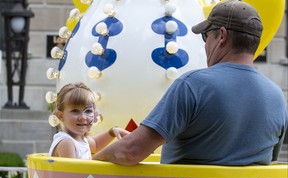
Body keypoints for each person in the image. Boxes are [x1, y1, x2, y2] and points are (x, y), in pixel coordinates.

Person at [93, 0, 288, 165]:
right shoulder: (277, 96)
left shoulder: (192, 85)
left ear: (222, 36)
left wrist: (92, 165)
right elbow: (267, 162)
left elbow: (130, 152)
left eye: (206, 36)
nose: (204, 45)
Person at [48, 82, 130, 159]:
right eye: (75, 111)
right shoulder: (66, 143)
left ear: (94, 115)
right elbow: (73, 172)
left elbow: (96, 144)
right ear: (60, 116)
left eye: (88, 111)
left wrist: (112, 132)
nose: (83, 117)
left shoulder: (81, 140)